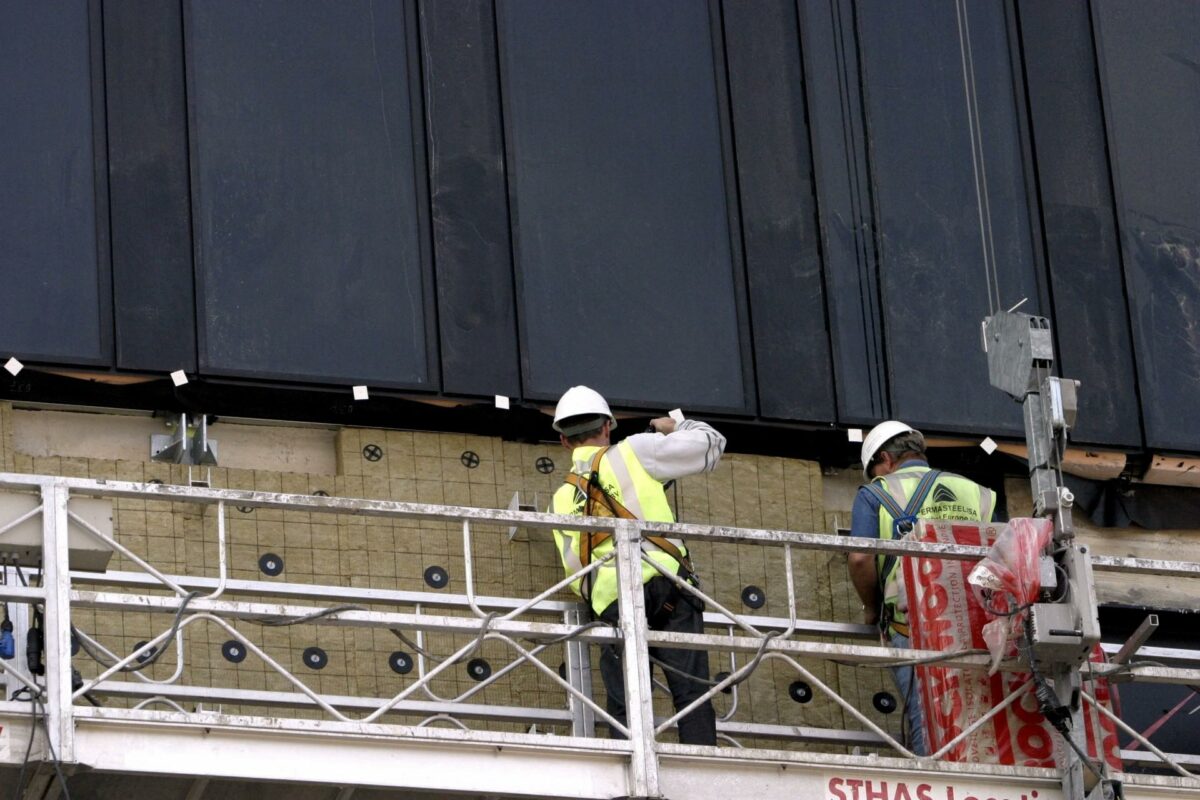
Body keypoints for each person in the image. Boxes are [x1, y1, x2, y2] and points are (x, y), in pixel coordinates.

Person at [549, 385, 726, 745]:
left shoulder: (561, 498)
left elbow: (575, 572)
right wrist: (674, 425)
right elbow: (712, 444)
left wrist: (602, 601)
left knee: (626, 704)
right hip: (668, 587)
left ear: (565, 442)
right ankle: (704, 771)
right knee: (692, 694)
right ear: (607, 427)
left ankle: (629, 774)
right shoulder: (634, 451)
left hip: (615, 604)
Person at [847, 420, 997, 756]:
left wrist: (872, 608)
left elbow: (860, 559)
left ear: (885, 458)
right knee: (983, 714)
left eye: (874, 469)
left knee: (926, 713)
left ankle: (935, 780)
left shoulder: (876, 493)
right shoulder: (978, 492)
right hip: (979, 623)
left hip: (913, 621)